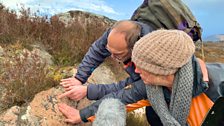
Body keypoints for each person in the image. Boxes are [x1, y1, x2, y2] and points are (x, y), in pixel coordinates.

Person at [58, 29, 224, 125]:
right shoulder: (151, 87)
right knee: (153, 113)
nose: (136, 72)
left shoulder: (217, 92)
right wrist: (80, 115)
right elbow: (120, 97)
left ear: (163, 70)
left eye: (142, 67)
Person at [131, 29, 224, 125]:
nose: (136, 70)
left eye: (142, 66)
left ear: (161, 69)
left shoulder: (217, 90)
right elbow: (120, 99)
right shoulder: (152, 88)